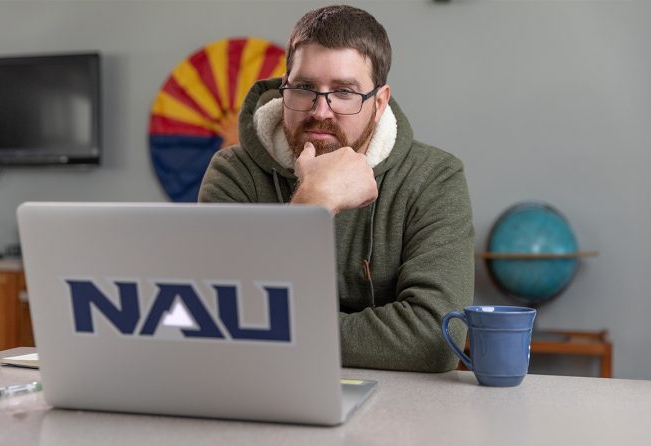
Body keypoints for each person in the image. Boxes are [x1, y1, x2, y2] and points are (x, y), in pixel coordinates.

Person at [198, 5, 474, 372]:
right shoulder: (233, 174)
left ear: (379, 103)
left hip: (401, 414)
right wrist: (313, 203)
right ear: (285, 87)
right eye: (304, 87)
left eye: (344, 91)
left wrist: (280, 330)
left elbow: (436, 340)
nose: (320, 111)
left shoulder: (435, 178)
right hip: (261, 389)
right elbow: (217, 319)